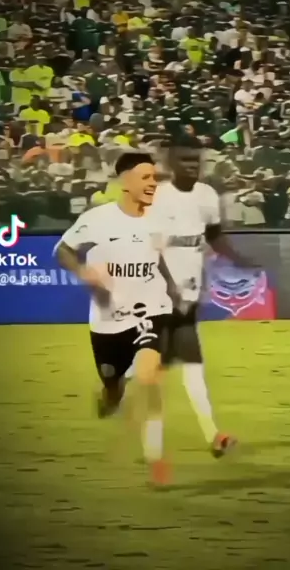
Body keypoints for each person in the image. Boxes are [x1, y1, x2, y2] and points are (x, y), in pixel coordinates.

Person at [54, 152, 177, 486]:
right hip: (108, 321)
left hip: (152, 310)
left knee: (149, 376)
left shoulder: (161, 220)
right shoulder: (98, 220)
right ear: (125, 181)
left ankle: (156, 458)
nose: (153, 183)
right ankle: (110, 392)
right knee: (111, 390)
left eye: (155, 178)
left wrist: (178, 290)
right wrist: (83, 271)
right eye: (146, 177)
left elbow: (166, 262)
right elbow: (62, 250)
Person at [134, 136, 255, 461]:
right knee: (158, 374)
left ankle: (212, 436)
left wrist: (239, 258)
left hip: (186, 297)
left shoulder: (206, 196)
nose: (192, 165)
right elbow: (149, 250)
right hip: (156, 296)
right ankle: (153, 448)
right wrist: (169, 288)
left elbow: (213, 235)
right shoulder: (156, 197)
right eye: (185, 159)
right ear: (170, 162)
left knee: (191, 365)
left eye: (195, 160)